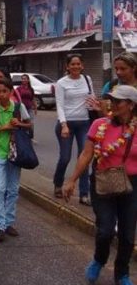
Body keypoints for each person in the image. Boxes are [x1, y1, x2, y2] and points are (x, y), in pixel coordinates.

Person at [62, 85, 137, 285]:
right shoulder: (99, 124)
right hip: (103, 182)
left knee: (128, 236)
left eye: (118, 101)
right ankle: (99, 259)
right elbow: (86, 154)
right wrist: (72, 180)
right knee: (105, 230)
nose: (112, 104)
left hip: (132, 185)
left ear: (130, 105)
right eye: (111, 100)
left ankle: (122, 274)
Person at [0, 78, 32, 243]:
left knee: (13, 189)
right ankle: (0, 225)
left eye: (5, 91)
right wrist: (3, 128)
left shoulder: (18, 107)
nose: (2, 95)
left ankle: (9, 222)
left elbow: (29, 125)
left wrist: (19, 124)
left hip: (15, 154)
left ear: (11, 92)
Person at [53, 54, 93, 205]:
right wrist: (64, 125)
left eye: (78, 64)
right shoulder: (61, 83)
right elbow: (60, 105)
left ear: (82, 65)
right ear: (67, 66)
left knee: (84, 159)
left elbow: (91, 97)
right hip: (66, 124)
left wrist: (95, 104)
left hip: (84, 123)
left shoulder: (87, 79)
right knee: (65, 157)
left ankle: (84, 193)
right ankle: (58, 183)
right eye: (72, 64)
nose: (76, 66)